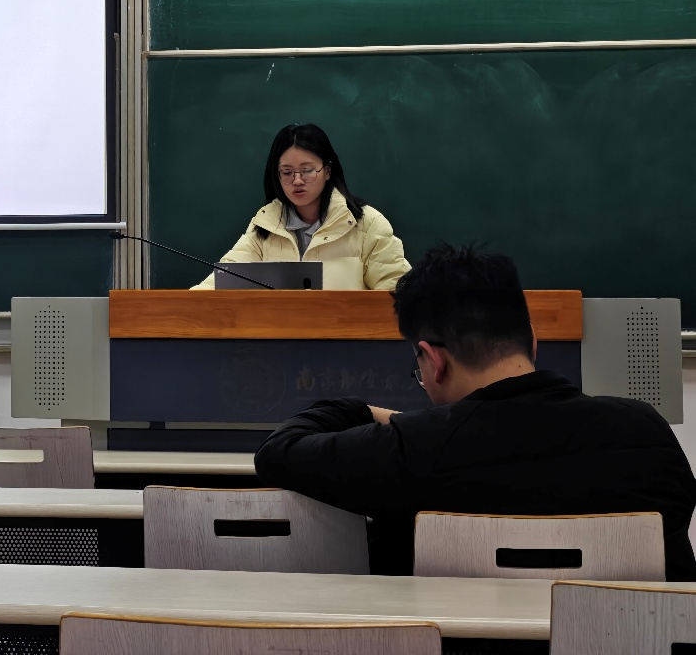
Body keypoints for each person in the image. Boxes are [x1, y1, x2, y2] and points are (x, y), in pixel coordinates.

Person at [254, 244, 696, 579]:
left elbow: (278, 452)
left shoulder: (415, 449)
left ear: (434, 360)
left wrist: (366, 411)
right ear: (532, 342)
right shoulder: (646, 434)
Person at [194, 123, 409, 290]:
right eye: (287, 172)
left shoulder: (367, 224)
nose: (297, 180)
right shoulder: (265, 225)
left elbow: (397, 293)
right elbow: (220, 286)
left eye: (307, 171)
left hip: (347, 333)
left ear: (327, 171)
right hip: (279, 334)